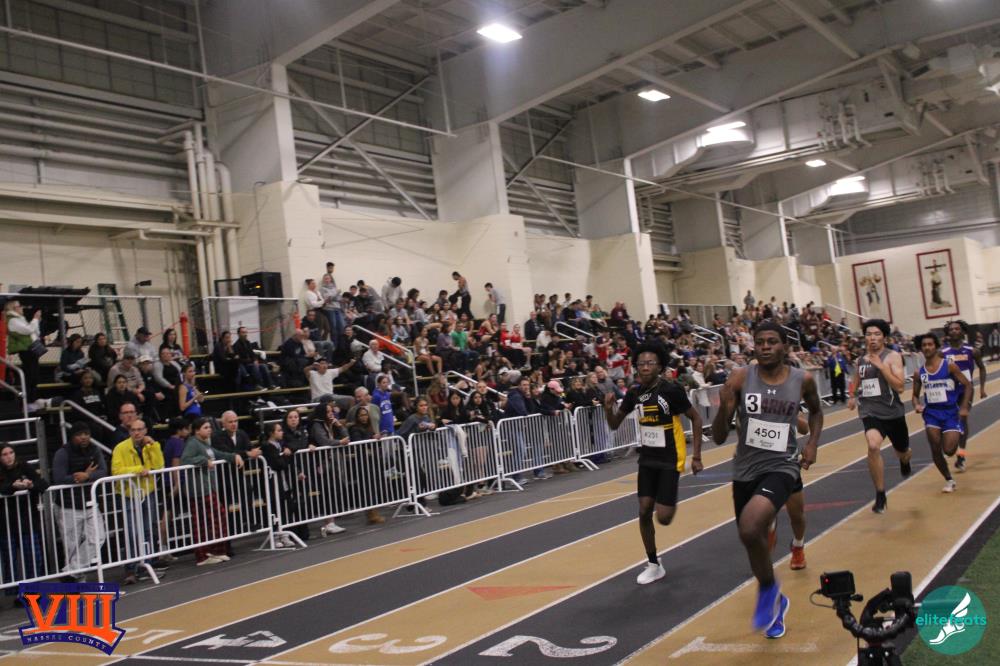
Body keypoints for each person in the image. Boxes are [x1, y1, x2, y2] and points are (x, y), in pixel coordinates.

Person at [712, 322, 823, 638]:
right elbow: (718, 436)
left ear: (785, 347)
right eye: (759, 342)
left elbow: (816, 413)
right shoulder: (740, 378)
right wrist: (724, 407)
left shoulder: (802, 380)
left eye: (772, 341)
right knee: (752, 539)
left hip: (782, 465)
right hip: (745, 469)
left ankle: (767, 591)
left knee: (750, 526)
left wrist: (812, 444)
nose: (764, 346)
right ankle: (775, 598)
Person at [604, 343, 704, 585]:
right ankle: (653, 564)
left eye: (650, 363)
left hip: (670, 457)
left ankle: (666, 496)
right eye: (641, 364)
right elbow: (615, 424)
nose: (645, 367)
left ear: (659, 366)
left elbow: (696, 418)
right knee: (643, 510)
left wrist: (697, 456)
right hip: (648, 459)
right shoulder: (634, 393)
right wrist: (608, 409)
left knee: (664, 518)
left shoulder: (671, 390)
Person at [848, 319, 911, 514]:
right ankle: (880, 494)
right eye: (868, 334)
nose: (872, 338)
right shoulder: (861, 360)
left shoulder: (893, 357)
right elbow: (856, 380)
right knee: (873, 446)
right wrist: (852, 395)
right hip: (870, 412)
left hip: (892, 413)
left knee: (903, 451)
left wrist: (882, 367)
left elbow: (900, 387)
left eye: (876, 334)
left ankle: (904, 460)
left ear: (884, 337)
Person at [912, 333, 972, 493]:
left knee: (949, 450)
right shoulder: (919, 372)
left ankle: (958, 431)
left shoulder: (949, 366)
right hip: (932, 414)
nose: (927, 347)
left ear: (936, 346)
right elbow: (915, 395)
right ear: (920, 349)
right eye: (924, 345)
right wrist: (917, 405)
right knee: (935, 447)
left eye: (930, 344)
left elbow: (967, 385)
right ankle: (949, 479)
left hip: (950, 412)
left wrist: (964, 407)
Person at [110, 419, 165, 584]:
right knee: (132, 532)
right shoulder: (120, 448)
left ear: (146, 430)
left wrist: (154, 446)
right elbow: (116, 471)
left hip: (148, 492)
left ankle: (146, 565)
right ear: (129, 432)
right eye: (133, 430)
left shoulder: (150, 446)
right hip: (129, 494)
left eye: (140, 429)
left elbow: (159, 465)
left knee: (148, 530)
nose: (137, 433)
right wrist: (138, 470)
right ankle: (131, 569)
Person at [51, 422, 107, 580]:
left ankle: (70, 572)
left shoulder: (95, 450)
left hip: (90, 502)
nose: (84, 437)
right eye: (79, 434)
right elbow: (58, 478)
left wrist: (88, 475)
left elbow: (103, 471)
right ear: (72, 436)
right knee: (71, 546)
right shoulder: (63, 453)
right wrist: (79, 477)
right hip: (68, 505)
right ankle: (76, 579)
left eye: (86, 434)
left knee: (98, 538)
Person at [181, 417, 242, 565]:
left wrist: (234, 456)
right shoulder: (193, 443)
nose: (209, 430)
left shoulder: (205, 443)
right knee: (204, 522)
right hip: (199, 489)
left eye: (210, 427)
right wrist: (203, 461)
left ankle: (215, 550)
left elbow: (217, 454)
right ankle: (203, 555)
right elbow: (185, 459)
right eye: (206, 427)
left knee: (215, 520)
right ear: (197, 431)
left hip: (209, 487)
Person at [0, 444, 49, 597]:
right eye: (4, 454)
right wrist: (13, 486)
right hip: (5, 524)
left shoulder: (24, 466)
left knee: (34, 557)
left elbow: (43, 484)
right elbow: (3, 488)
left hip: (27, 521)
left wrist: (31, 485)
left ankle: (32, 590)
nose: (9, 456)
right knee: (10, 560)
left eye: (11, 452)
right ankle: (13, 593)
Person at [941, 320, 988, 473]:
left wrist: (982, 388)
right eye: (951, 329)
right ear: (948, 333)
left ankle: (961, 455)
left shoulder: (972, 350)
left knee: (962, 418)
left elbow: (982, 368)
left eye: (957, 329)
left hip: (966, 391)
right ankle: (952, 443)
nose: (954, 331)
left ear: (963, 332)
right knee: (949, 421)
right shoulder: (942, 352)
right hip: (948, 391)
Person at [3, 300, 43, 410]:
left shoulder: (21, 319)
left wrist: (36, 321)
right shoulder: (13, 320)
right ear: (13, 308)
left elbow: (35, 332)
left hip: (31, 349)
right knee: (30, 376)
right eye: (19, 306)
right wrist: (35, 319)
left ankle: (32, 400)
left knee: (35, 376)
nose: (22, 308)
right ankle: (26, 402)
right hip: (25, 351)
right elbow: (28, 330)